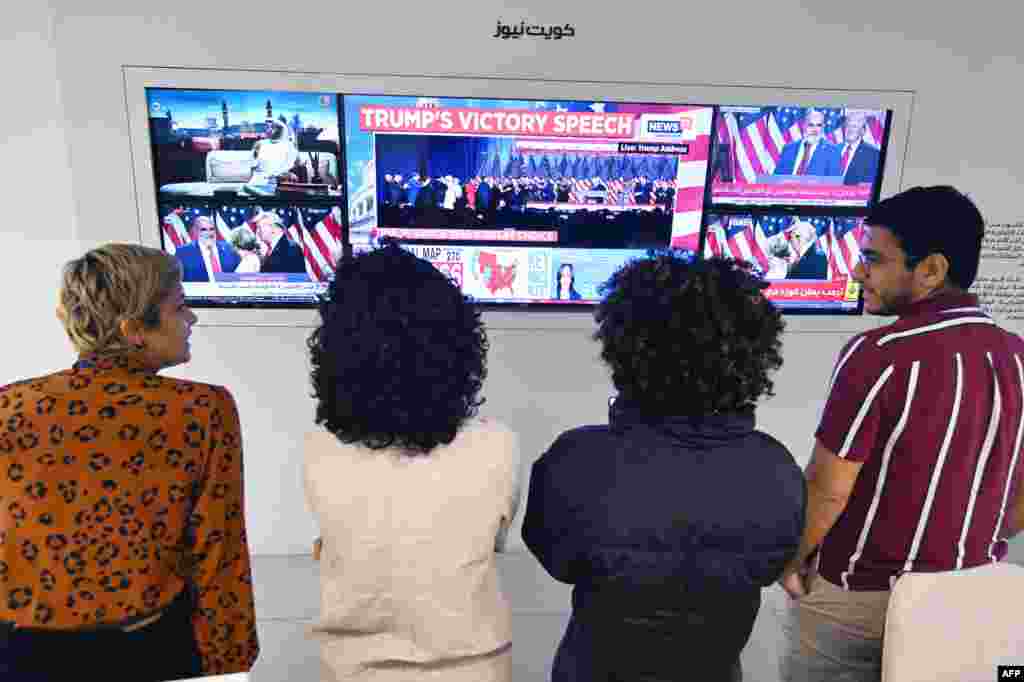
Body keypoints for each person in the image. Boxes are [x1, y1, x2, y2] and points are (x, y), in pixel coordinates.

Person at [778, 186, 1024, 682]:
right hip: (965, 597)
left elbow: (827, 488)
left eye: (873, 258)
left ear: (931, 269)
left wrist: (791, 559)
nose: (857, 271)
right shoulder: (1017, 356)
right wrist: (980, 544)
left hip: (860, 597)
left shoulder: (878, 355)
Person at [522, 254, 805, 682]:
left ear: (623, 345)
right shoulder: (776, 469)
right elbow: (770, 566)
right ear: (752, 353)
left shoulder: (575, 459)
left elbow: (558, 561)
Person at [0, 244, 259, 681]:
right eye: (180, 306)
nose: (192, 318)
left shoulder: (9, 404)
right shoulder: (200, 410)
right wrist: (229, 663)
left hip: (18, 652)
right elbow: (218, 548)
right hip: (146, 649)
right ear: (134, 328)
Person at [303, 242, 521, 682]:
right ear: (456, 346)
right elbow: (490, 542)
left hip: (353, 672)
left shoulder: (319, 448)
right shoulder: (498, 444)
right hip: (474, 670)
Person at [773, 109, 842, 177]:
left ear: (823, 127)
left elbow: (833, 182)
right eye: (811, 125)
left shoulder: (832, 151)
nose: (815, 129)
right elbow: (777, 177)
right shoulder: (788, 148)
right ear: (804, 126)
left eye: (819, 125)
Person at [174, 214, 241, 282]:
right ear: (195, 232)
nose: (209, 233)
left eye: (212, 229)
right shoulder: (183, 252)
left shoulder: (229, 248)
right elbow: (177, 279)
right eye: (204, 229)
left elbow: (240, 275)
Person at [243, 118, 299, 196]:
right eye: (269, 127)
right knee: (247, 188)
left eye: (273, 128)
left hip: (274, 184)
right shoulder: (260, 144)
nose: (269, 130)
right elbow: (253, 166)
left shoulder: (289, 147)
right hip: (259, 182)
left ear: (281, 131)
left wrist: (285, 174)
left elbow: (290, 166)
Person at [252, 210, 306, 274]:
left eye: (260, 227)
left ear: (273, 227)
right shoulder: (270, 249)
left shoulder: (290, 248)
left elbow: (294, 277)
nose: (258, 231)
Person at [839, 112, 881, 185]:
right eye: (847, 126)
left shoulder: (873, 154)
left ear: (862, 131)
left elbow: (869, 185)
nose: (850, 129)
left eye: (854, 126)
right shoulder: (834, 149)